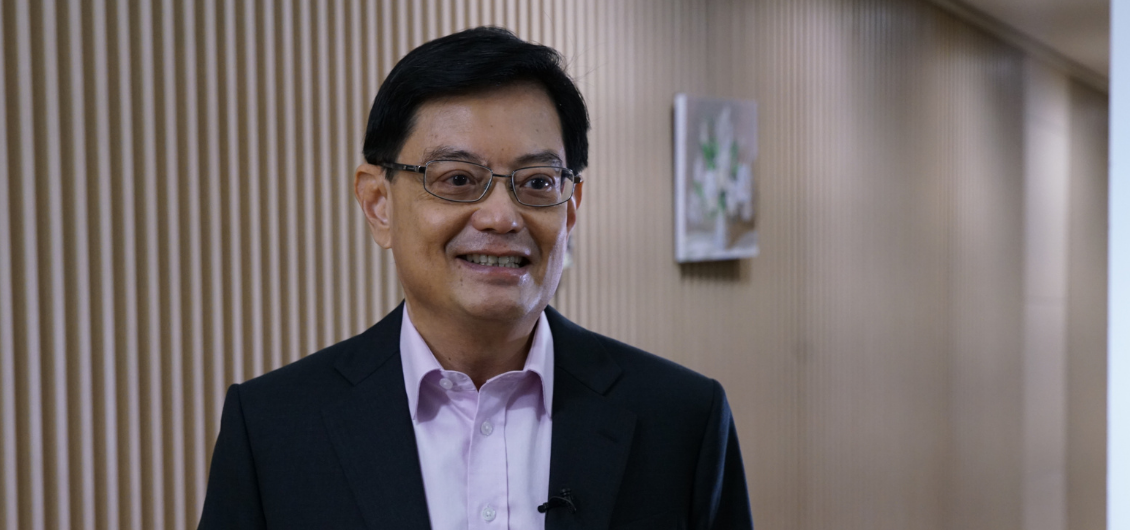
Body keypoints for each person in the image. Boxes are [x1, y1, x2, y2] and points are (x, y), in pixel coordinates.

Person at [198, 27, 752, 530]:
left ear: (570, 210)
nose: (501, 217)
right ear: (378, 204)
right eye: (459, 179)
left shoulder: (682, 418)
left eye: (537, 182)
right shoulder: (273, 429)